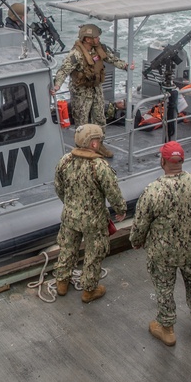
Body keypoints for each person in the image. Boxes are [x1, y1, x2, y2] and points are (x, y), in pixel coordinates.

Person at [129, 141, 191, 346]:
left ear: (162, 161)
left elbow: (140, 225)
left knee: (164, 289)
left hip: (163, 253)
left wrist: (137, 242)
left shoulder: (153, 191)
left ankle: (167, 329)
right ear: (183, 160)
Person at [52, 124, 127, 303]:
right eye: (98, 140)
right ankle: (89, 290)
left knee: (67, 248)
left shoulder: (65, 161)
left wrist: (70, 204)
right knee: (94, 253)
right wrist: (121, 210)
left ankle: (62, 282)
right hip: (94, 220)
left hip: (70, 216)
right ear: (93, 144)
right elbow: (113, 192)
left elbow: (58, 187)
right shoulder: (99, 166)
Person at [51, 24, 135, 157]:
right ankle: (81, 150)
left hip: (96, 89)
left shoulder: (99, 49)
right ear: (87, 39)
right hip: (81, 92)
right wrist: (57, 86)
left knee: (100, 118)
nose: (98, 39)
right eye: (95, 37)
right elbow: (63, 71)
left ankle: (99, 145)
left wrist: (125, 66)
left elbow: (111, 59)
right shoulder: (76, 54)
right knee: (82, 123)